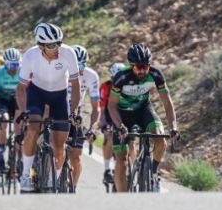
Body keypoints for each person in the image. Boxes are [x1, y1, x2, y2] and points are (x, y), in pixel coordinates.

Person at [15, 23, 81, 192]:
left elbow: (75, 84)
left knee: (60, 147)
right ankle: (26, 175)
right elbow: (21, 88)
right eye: (52, 45)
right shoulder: (30, 56)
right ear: (41, 46)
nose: (57, 48)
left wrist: (73, 112)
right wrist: (24, 112)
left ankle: (53, 181)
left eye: (58, 42)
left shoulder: (68, 53)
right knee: (32, 129)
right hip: (37, 94)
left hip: (60, 96)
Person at [107, 44, 179, 193]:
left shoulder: (156, 74)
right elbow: (111, 106)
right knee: (121, 161)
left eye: (145, 67)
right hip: (123, 115)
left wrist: (173, 127)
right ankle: (123, 199)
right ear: (131, 66)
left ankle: (153, 172)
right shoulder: (121, 77)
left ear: (149, 65)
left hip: (143, 110)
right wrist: (120, 126)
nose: (142, 71)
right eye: (137, 68)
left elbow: (167, 102)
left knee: (160, 138)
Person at [66, 45, 100, 187]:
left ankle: (72, 189)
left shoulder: (91, 76)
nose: (79, 68)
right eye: (76, 64)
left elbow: (95, 108)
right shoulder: (62, 72)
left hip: (75, 112)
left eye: (82, 64)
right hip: (58, 108)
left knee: (76, 158)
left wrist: (92, 128)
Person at [0, 47, 21, 175]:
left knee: (20, 124)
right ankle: (1, 156)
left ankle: (18, 155)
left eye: (16, 64)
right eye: (10, 64)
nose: (13, 67)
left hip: (18, 100)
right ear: (5, 64)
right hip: (3, 100)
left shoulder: (23, 72)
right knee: (3, 121)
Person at [99, 62, 124, 185]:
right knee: (109, 137)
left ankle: (130, 169)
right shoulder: (105, 87)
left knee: (131, 142)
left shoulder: (129, 87)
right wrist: (104, 124)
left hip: (125, 117)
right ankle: (107, 169)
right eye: (115, 79)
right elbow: (102, 110)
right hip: (109, 116)